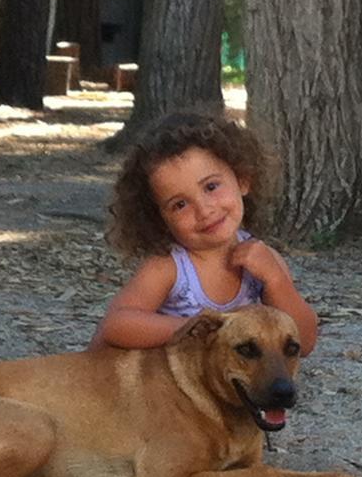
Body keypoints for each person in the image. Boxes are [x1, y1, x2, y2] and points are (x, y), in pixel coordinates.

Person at [92, 111, 318, 355]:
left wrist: (276, 280)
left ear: (242, 179)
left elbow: (303, 342)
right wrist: (199, 330)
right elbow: (115, 326)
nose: (204, 210)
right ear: (159, 219)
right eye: (180, 205)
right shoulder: (171, 266)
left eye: (211, 186)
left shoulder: (264, 263)